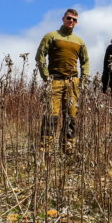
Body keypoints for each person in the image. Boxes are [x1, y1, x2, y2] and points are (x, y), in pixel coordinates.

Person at [35, 8, 90, 154]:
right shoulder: (51, 36)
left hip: (72, 83)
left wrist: (82, 80)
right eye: (69, 18)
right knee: (51, 114)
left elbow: (85, 62)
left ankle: (68, 147)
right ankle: (46, 148)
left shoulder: (79, 41)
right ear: (63, 19)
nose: (71, 21)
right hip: (55, 81)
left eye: (74, 20)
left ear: (76, 23)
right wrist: (46, 76)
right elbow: (40, 56)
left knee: (71, 115)